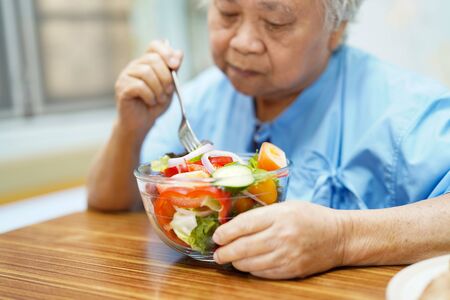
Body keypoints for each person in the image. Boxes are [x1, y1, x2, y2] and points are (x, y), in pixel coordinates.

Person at [87, 0, 450, 279]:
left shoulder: (406, 111)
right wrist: (130, 128)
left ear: (335, 29)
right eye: (228, 13)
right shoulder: (195, 99)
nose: (243, 43)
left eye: (276, 22)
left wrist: (342, 239)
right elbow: (108, 202)